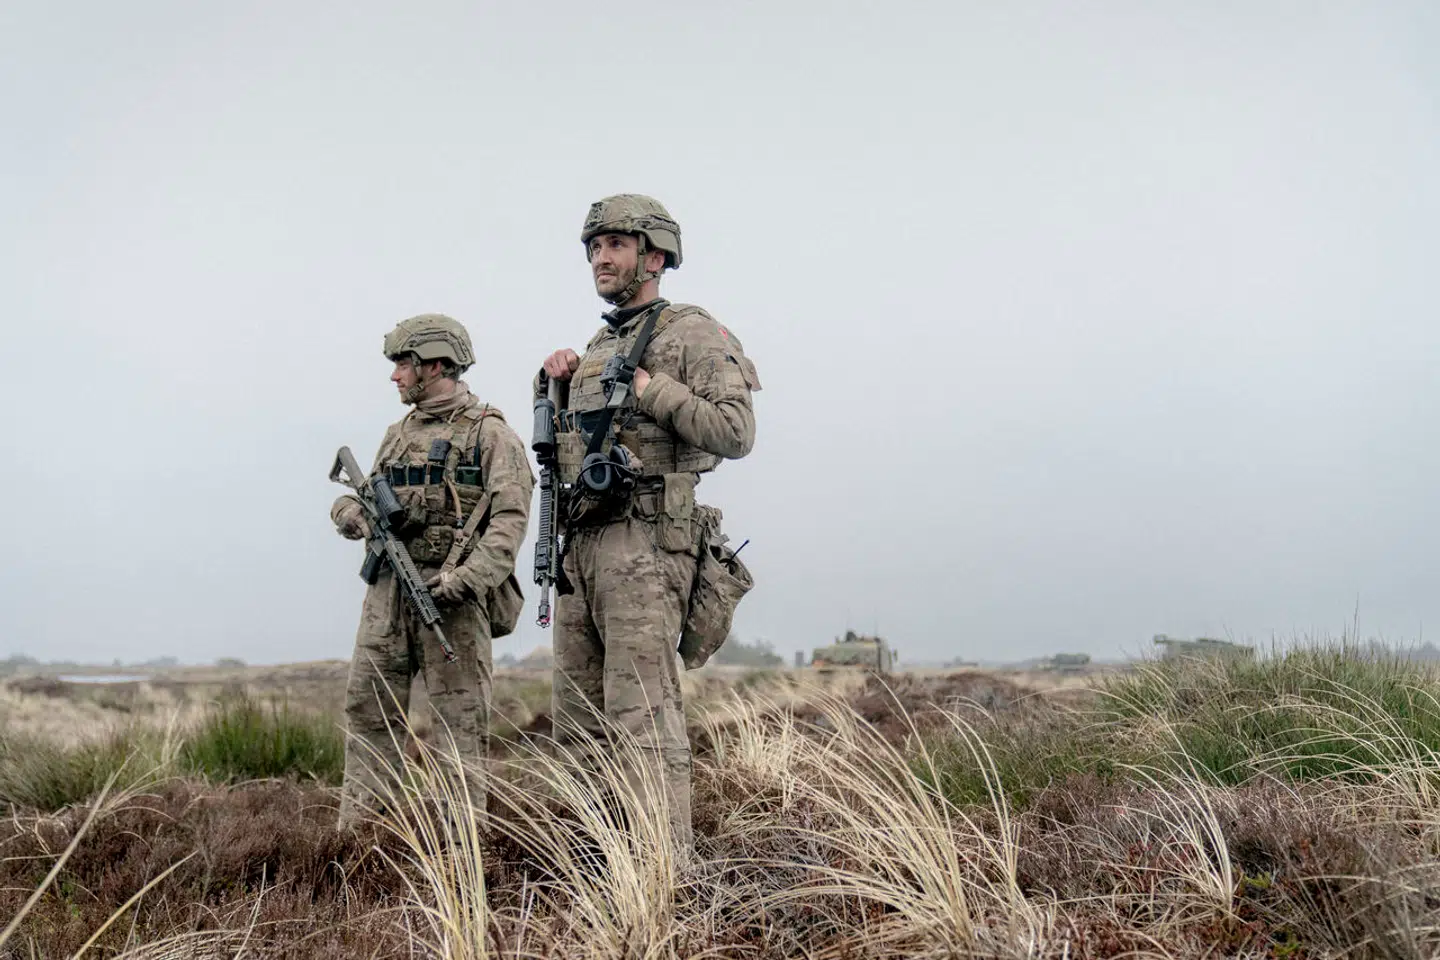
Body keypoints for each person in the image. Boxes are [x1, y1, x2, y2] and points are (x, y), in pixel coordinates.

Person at [538, 195, 761, 849]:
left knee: (642, 715)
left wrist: (649, 388)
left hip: (646, 540)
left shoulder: (691, 331)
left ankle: (664, 874)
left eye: (615, 244)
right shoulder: (598, 345)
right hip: (583, 539)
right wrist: (556, 382)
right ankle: (594, 867)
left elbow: (735, 431)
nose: (600, 258)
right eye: (593, 248)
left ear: (655, 256)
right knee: (578, 724)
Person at [332, 313, 533, 830]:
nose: (395, 375)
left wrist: (464, 582)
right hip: (387, 597)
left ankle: (460, 852)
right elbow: (359, 497)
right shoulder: (397, 435)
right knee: (368, 716)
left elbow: (509, 525)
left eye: (404, 364)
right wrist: (350, 514)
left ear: (436, 364)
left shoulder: (491, 435)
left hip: (451, 604)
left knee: (459, 730)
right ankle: (361, 844)